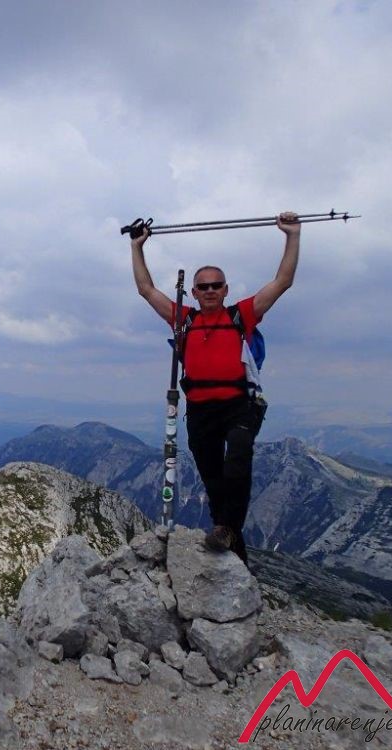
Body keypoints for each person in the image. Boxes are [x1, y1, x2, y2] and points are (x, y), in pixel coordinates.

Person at [130, 211, 301, 566]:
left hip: (239, 404)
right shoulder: (184, 319)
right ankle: (233, 550)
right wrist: (137, 246)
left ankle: (226, 529)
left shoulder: (241, 315)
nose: (210, 291)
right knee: (212, 478)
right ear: (193, 292)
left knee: (238, 457)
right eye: (204, 287)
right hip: (200, 410)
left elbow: (283, 281)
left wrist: (292, 235)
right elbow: (146, 289)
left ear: (226, 289)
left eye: (216, 285)